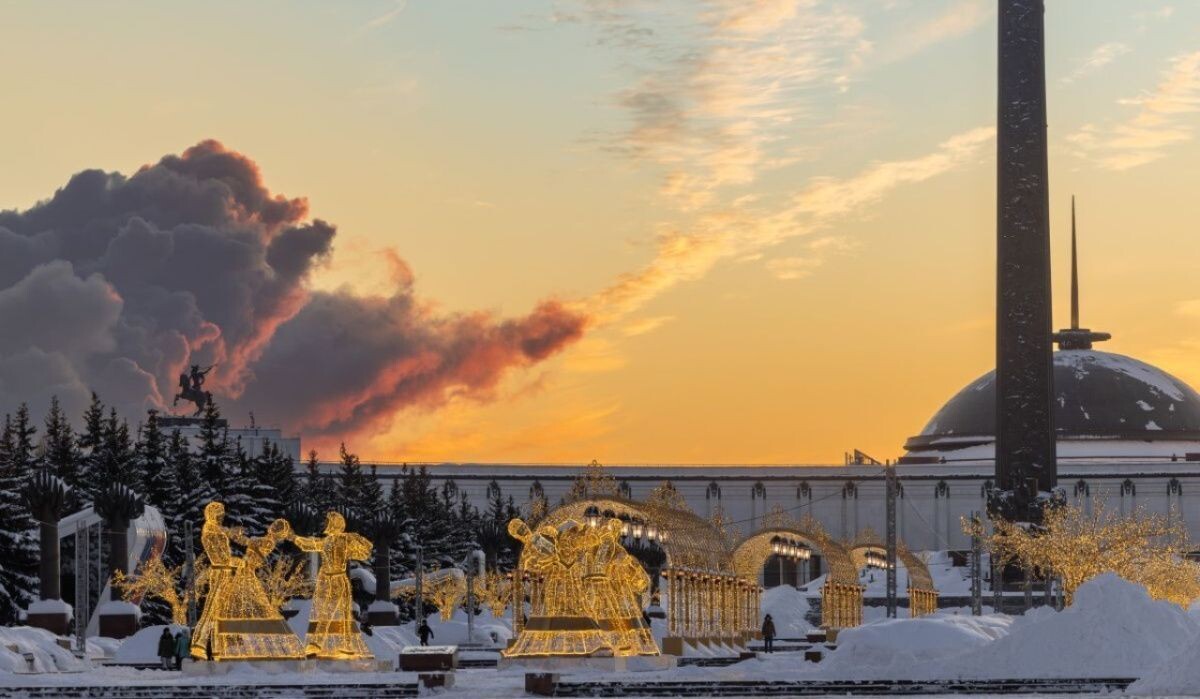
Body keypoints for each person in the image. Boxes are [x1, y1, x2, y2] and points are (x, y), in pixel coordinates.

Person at [211, 518, 304, 660]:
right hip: (245, 572)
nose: (271, 526)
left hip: (246, 574)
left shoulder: (267, 542)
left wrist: (228, 532)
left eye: (275, 526)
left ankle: (270, 644)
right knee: (237, 605)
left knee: (245, 606)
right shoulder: (267, 541)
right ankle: (232, 643)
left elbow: (245, 542)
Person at [291, 511, 373, 659]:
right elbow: (310, 544)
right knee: (338, 613)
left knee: (332, 612)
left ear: (334, 524)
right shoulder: (327, 541)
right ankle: (343, 644)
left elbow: (365, 551)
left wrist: (357, 538)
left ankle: (319, 643)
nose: (325, 524)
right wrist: (294, 537)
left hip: (337, 580)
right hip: (328, 580)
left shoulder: (344, 539)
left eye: (328, 521)